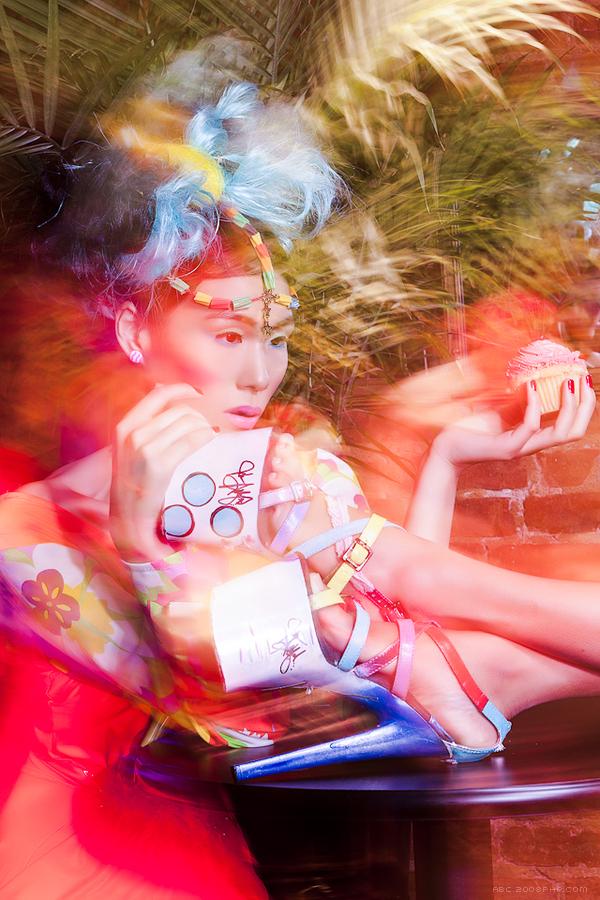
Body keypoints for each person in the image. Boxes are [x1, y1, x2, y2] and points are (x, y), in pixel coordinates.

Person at [0, 75, 599, 892]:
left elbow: (407, 643)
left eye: (275, 336)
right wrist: (143, 549)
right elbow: (222, 718)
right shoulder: (25, 536)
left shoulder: (283, 469)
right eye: (227, 335)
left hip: (196, 839)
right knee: (487, 650)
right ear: (135, 331)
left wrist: (447, 457)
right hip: (76, 856)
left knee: (489, 646)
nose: (260, 374)